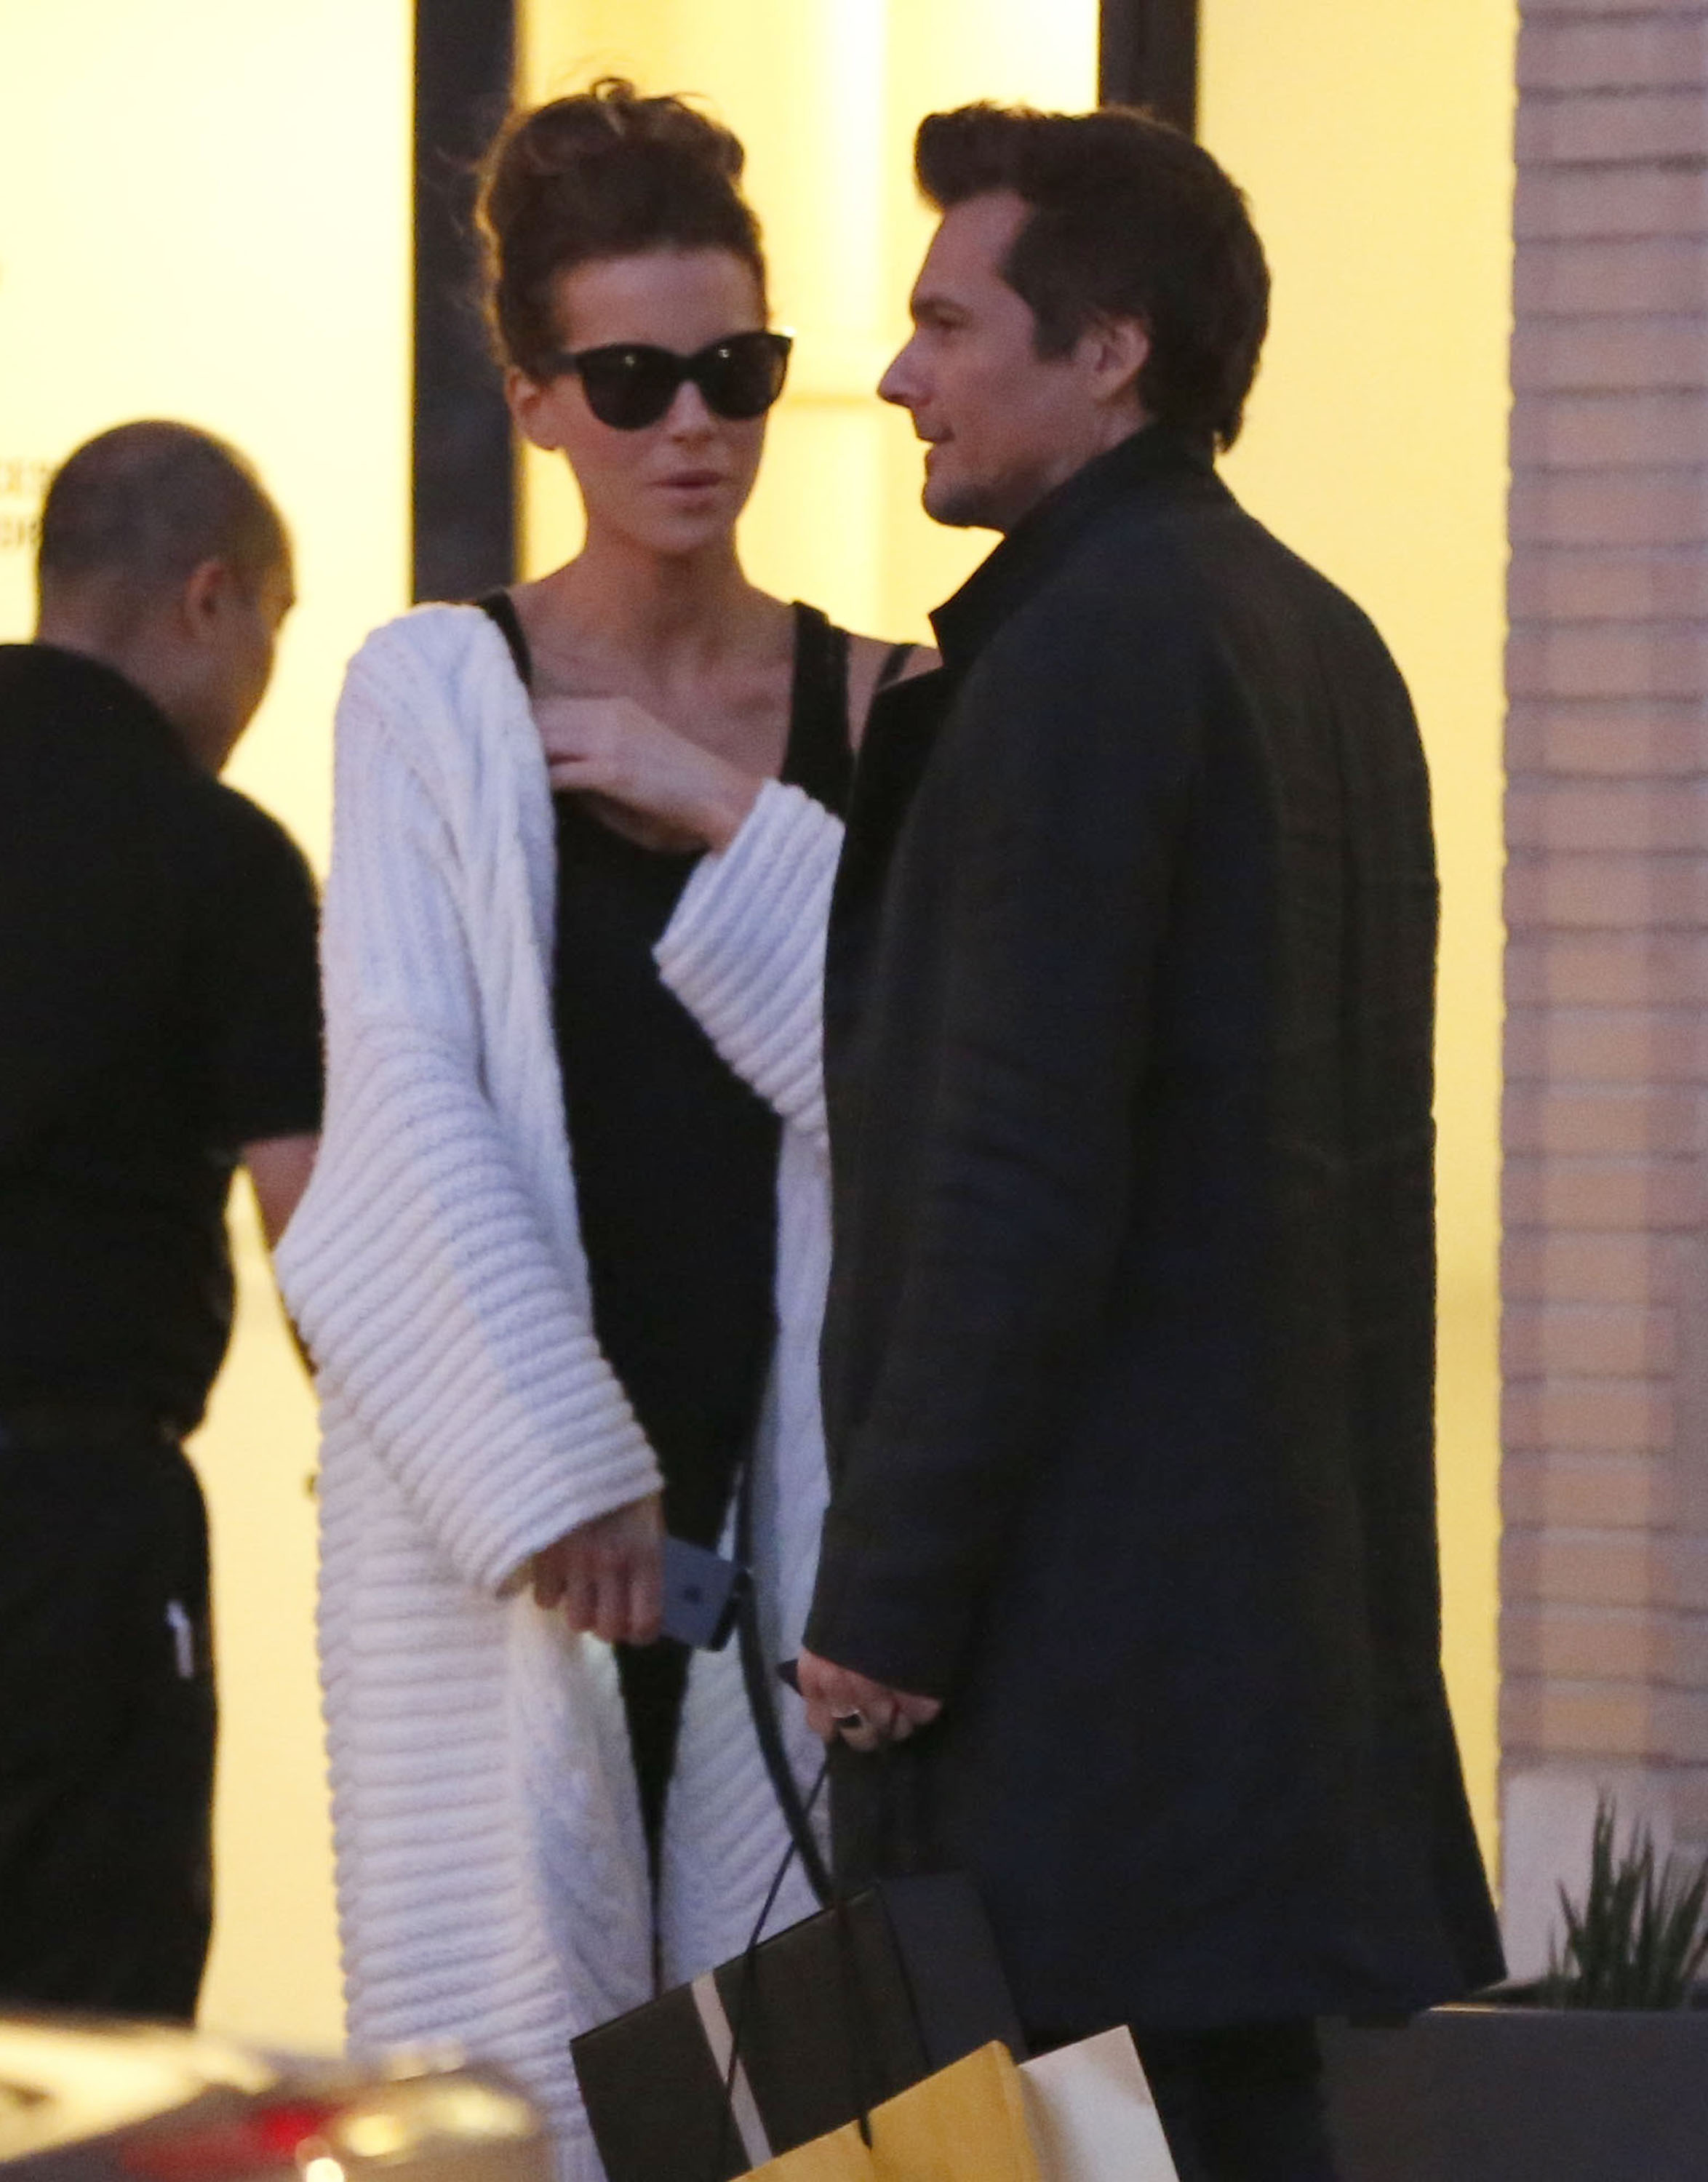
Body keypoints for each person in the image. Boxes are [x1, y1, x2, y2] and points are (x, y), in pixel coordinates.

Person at [794, 104, 1507, 2182]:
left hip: (1082, 1699)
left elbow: (1012, 1176)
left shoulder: (1084, 655)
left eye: (948, 323)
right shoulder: (1312, 638)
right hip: (1268, 1694)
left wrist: (885, 1604)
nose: (898, 376)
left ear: (1107, 352)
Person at [274, 81, 922, 2178]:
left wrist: (719, 803)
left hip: (802, 1498)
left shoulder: (879, 704)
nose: (691, 425)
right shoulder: (432, 697)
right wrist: (565, 1470)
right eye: (633, 381)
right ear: (537, 403)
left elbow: (925, 1090)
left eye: (737, 369)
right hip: (530, 1515)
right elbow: (398, 1096)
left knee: (804, 2097)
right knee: (521, 2089)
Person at [0, 420, 321, 2021]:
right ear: (211, 596)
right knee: (90, 2025)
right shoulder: (219, 858)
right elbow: (310, 1220)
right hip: (73, 1529)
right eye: (276, 624)